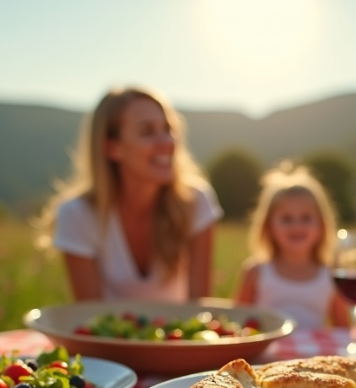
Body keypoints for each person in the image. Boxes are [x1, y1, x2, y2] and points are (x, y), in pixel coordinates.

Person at [36, 86, 223, 302]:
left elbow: (199, 310)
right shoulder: (76, 215)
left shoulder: (196, 201)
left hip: (180, 336)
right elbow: (89, 320)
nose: (167, 142)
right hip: (110, 336)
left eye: (168, 129)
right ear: (112, 148)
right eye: (147, 132)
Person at [235, 161, 350, 329]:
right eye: (286, 219)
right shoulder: (255, 272)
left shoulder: (333, 274)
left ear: (322, 225)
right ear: (268, 227)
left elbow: (343, 329)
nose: (297, 226)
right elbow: (238, 323)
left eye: (306, 218)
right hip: (268, 355)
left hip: (315, 354)